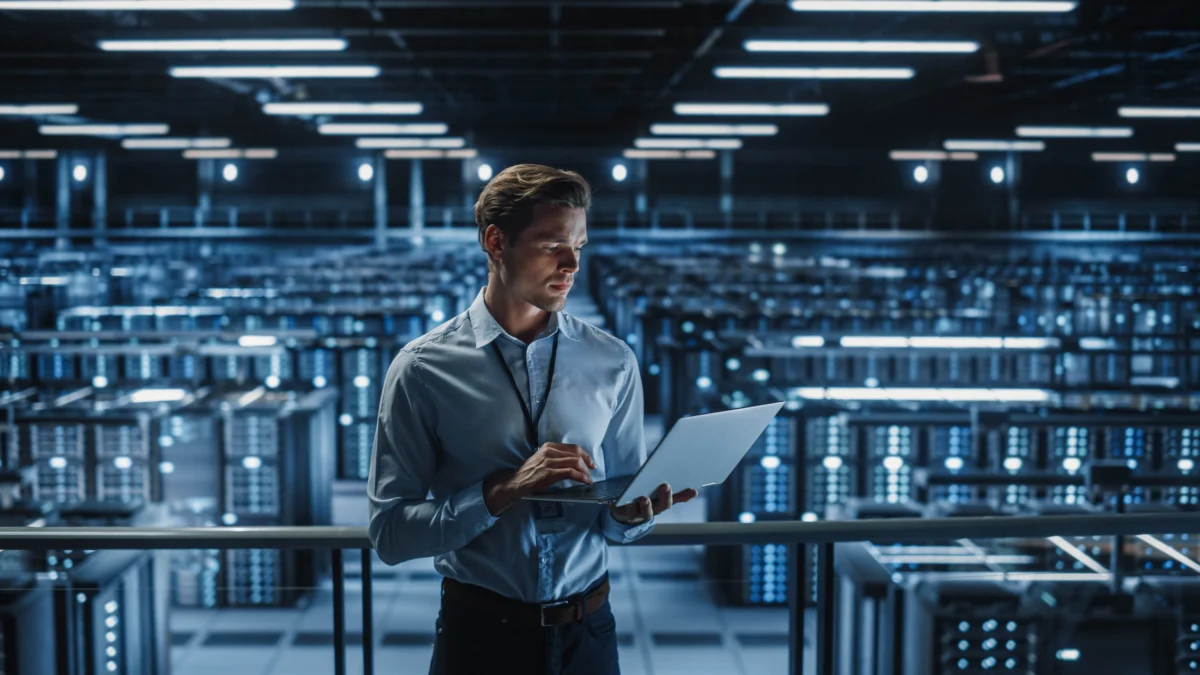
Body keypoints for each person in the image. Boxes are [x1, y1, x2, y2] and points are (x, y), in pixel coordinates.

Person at [367, 163, 698, 675]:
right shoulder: (423, 368)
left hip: (589, 634)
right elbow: (389, 533)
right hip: (479, 638)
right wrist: (502, 491)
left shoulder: (612, 360)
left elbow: (621, 510)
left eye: (580, 247)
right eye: (551, 245)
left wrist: (633, 517)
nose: (571, 264)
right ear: (496, 242)